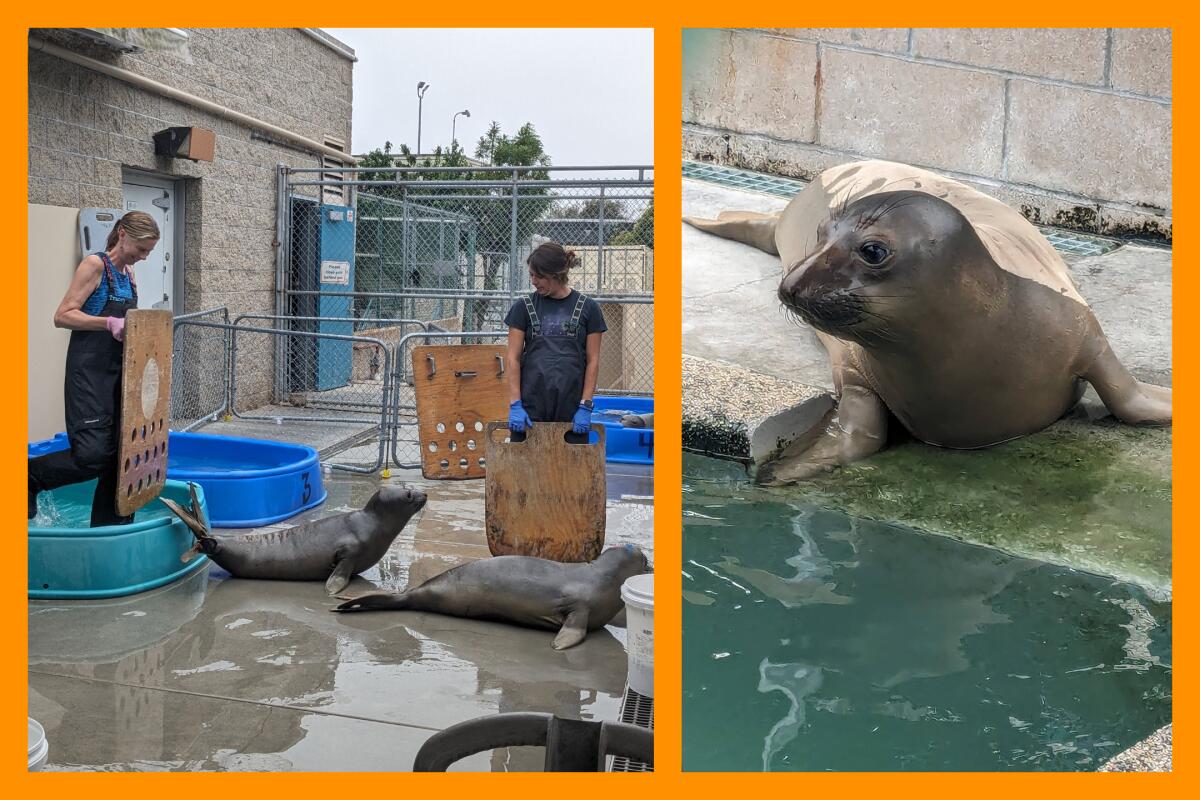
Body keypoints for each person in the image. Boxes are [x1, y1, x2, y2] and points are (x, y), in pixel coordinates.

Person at [28, 211, 160, 526]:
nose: (143, 257)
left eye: (149, 252)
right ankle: (27, 477)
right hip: (88, 374)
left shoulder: (129, 274)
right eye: (141, 249)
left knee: (121, 457)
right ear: (123, 234)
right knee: (92, 455)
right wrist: (108, 322)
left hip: (119, 376)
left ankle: (108, 532)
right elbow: (62, 315)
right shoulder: (94, 266)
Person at [505, 242, 606, 442]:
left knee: (571, 471)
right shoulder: (523, 307)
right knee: (525, 470)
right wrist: (515, 404)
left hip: (571, 408)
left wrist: (585, 405)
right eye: (531, 275)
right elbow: (512, 358)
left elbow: (593, 360)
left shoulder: (589, 309)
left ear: (557, 274)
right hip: (530, 407)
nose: (533, 281)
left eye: (539, 276)